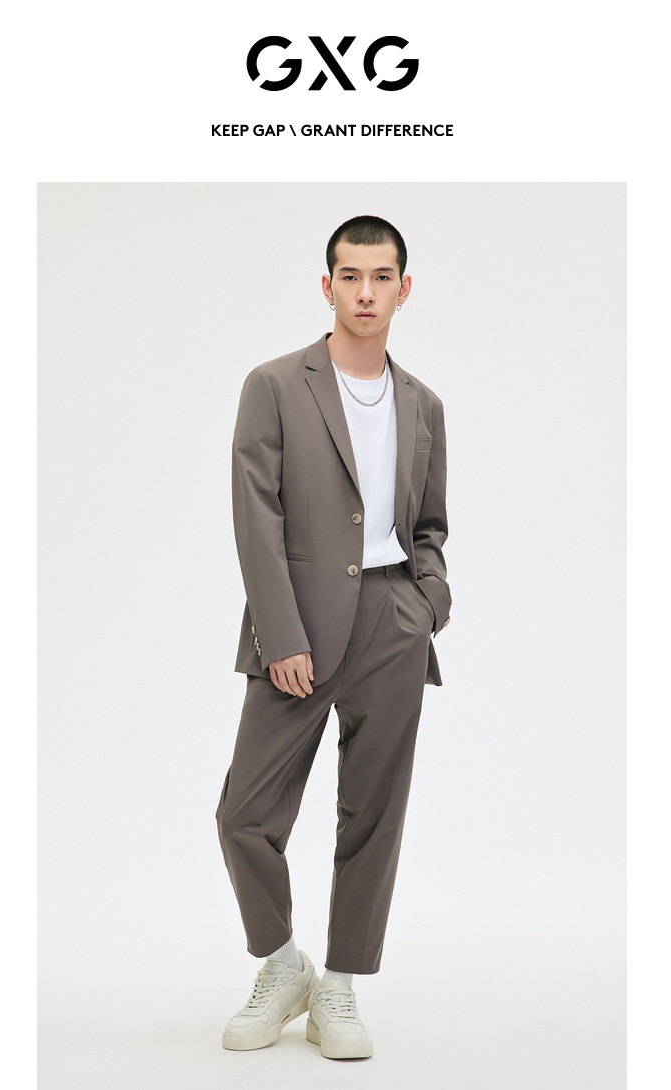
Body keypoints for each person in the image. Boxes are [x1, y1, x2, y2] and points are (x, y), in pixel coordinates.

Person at [215, 215, 452, 1060]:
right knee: (244, 816)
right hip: (298, 628)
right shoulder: (275, 385)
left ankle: (340, 988)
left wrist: (428, 602)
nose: (365, 292)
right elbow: (256, 518)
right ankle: (284, 965)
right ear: (328, 286)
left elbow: (429, 525)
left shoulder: (423, 405)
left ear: (403, 288)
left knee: (373, 816)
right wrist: (281, 633)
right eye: (350, 276)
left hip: (392, 624)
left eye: (381, 277)